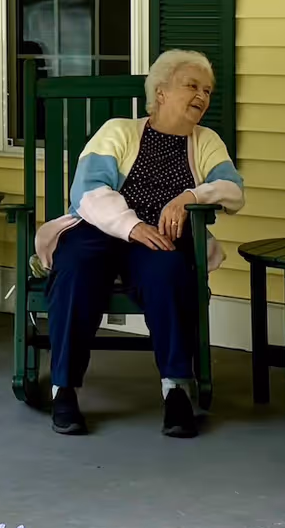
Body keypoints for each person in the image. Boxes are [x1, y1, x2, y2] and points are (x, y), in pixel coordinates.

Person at [35, 49, 244, 438]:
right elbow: (88, 190)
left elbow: (233, 191)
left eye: (208, 90)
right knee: (76, 269)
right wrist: (130, 226)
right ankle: (63, 389)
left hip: (161, 238)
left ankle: (176, 391)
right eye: (192, 86)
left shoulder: (206, 141)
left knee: (170, 273)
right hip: (99, 228)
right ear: (161, 92)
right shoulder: (120, 131)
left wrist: (189, 197)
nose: (202, 96)